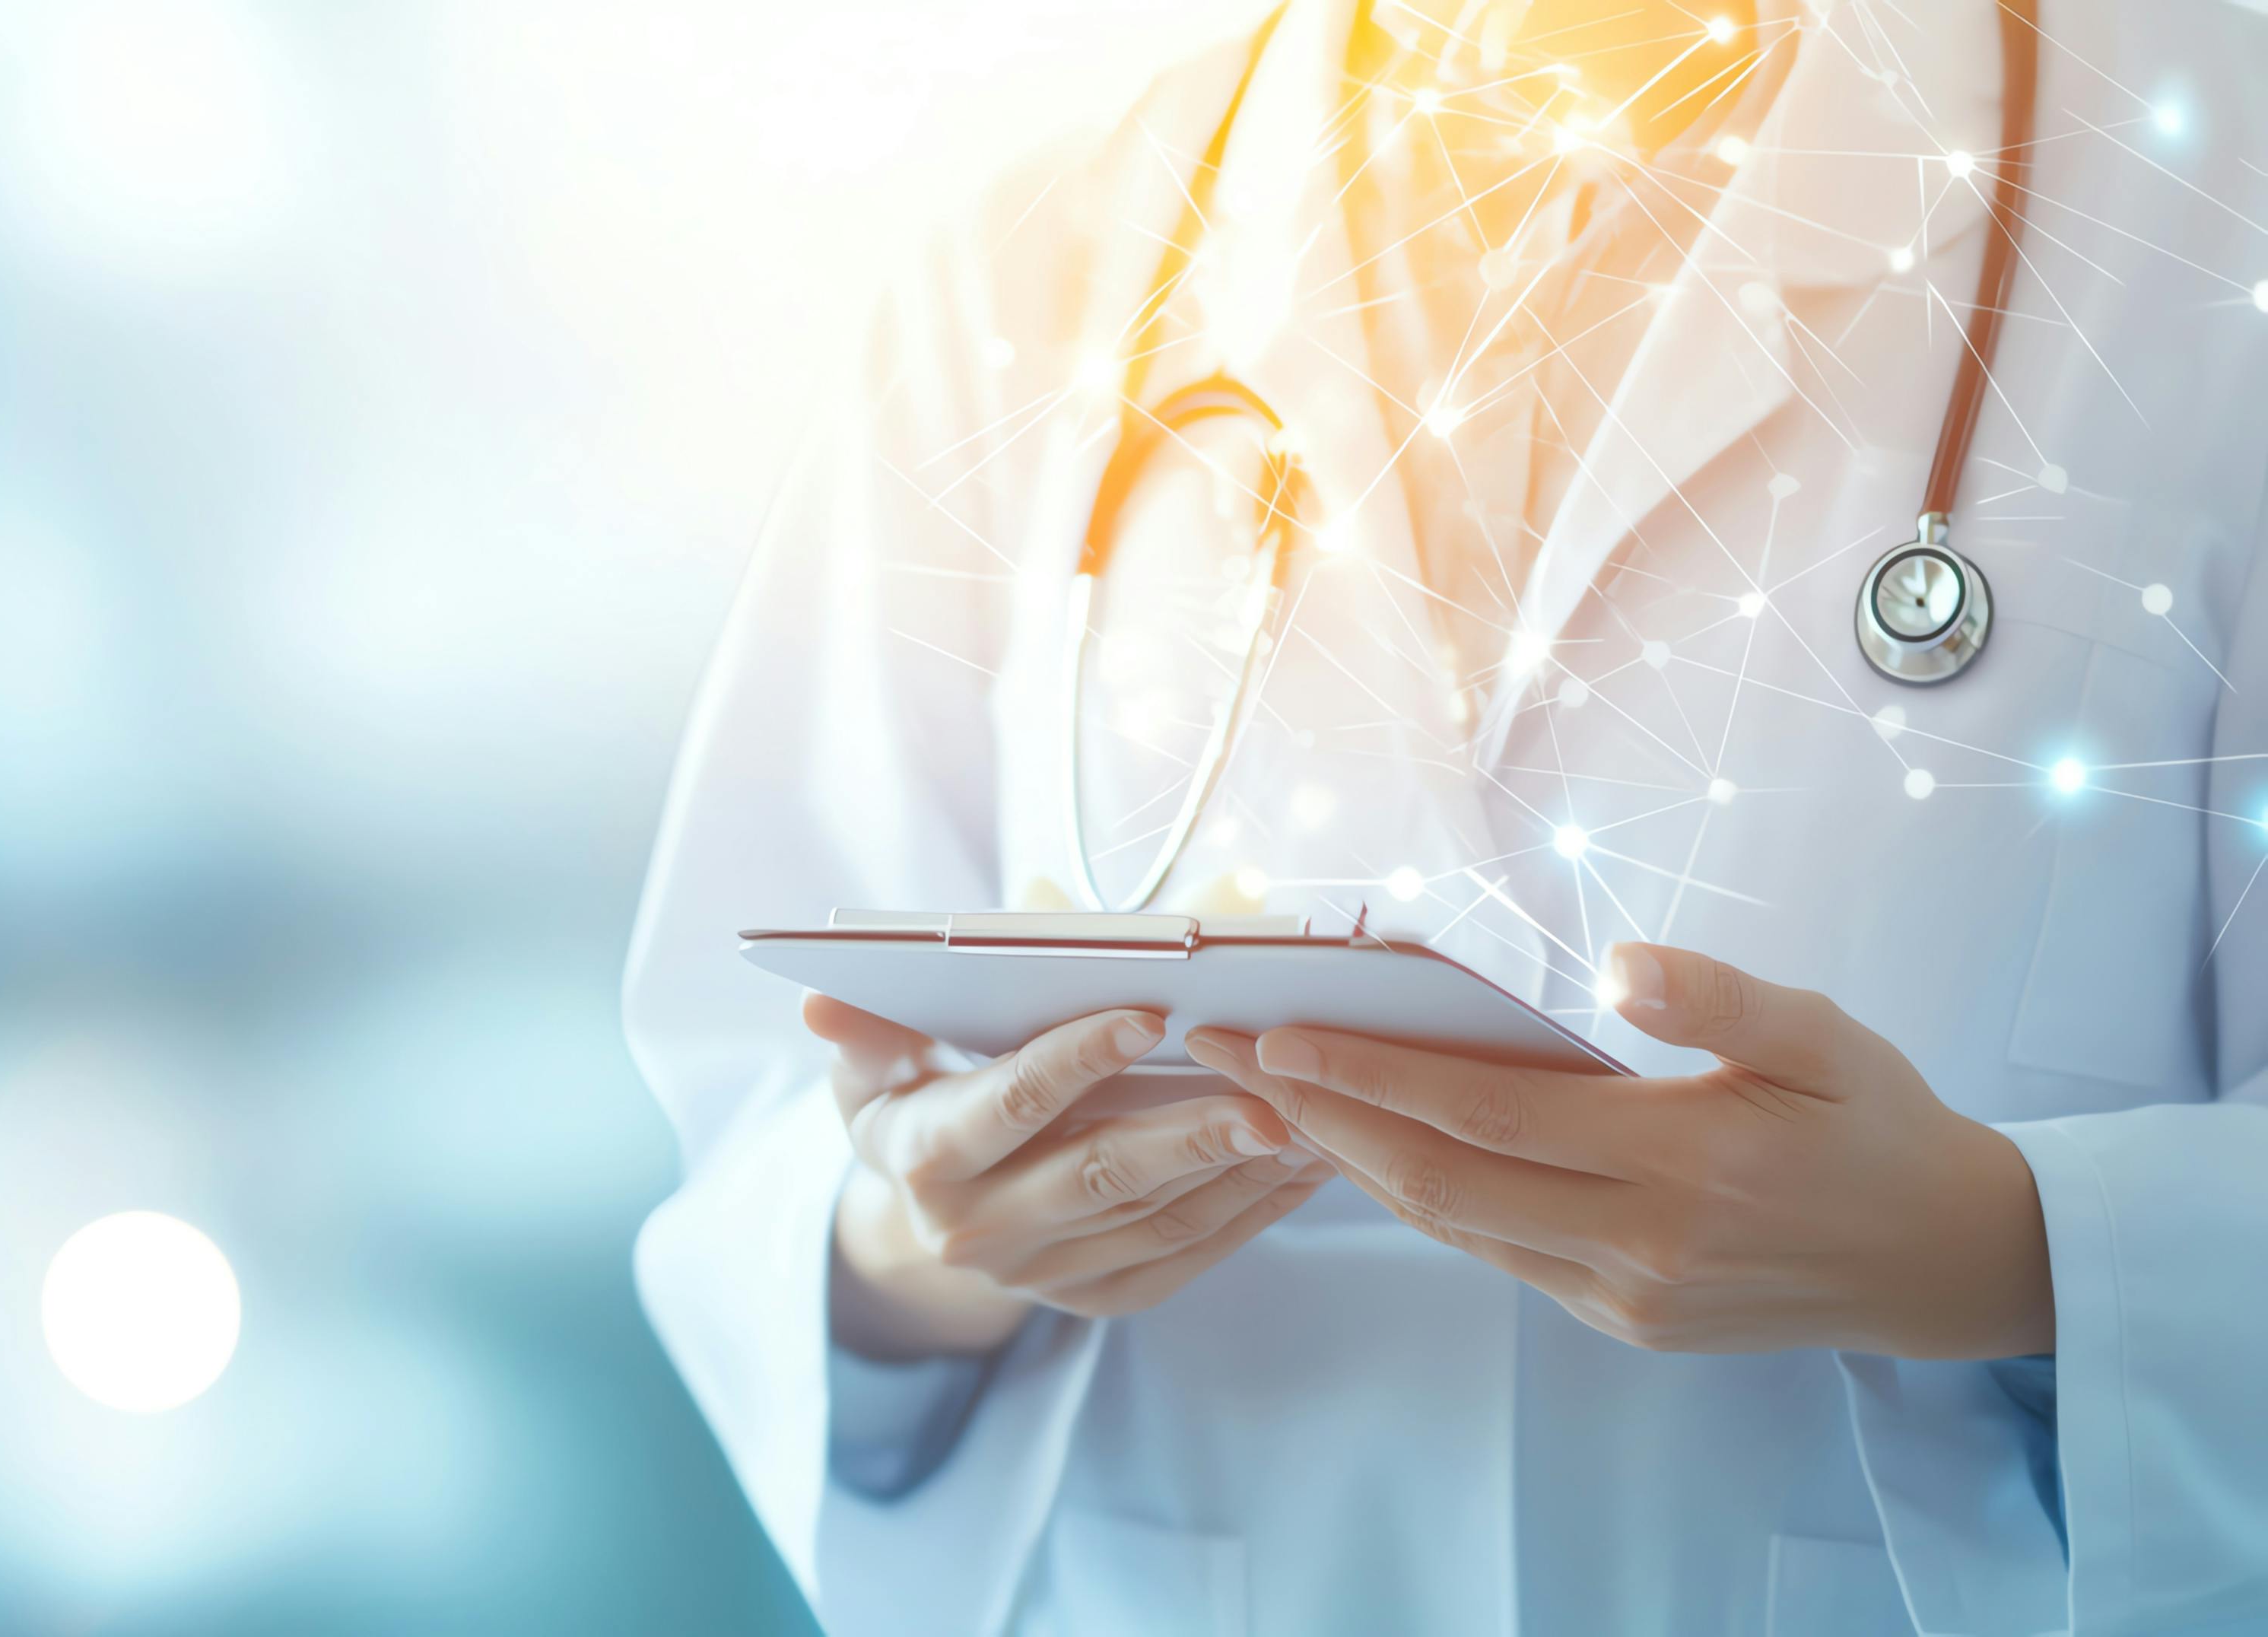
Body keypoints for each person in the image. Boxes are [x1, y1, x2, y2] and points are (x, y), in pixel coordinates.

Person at [624, 1, 2268, 1630]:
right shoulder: (1027, 273)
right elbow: (769, 1101)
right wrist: (923, 1248)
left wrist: (2013, 1254)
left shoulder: (2213, 212)